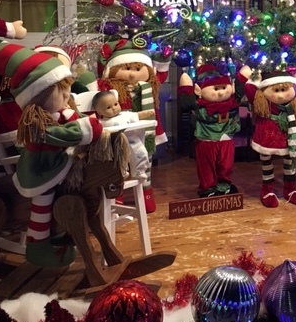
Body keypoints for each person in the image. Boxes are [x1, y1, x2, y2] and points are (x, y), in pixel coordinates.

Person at [0, 33, 104, 267]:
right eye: (60, 92)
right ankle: (38, 245)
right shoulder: (36, 122)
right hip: (39, 171)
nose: (67, 96)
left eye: (67, 89)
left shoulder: (59, 112)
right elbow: (57, 135)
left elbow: (73, 119)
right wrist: (85, 129)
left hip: (55, 164)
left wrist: (82, 120)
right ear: (38, 96)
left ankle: (62, 232)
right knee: (43, 200)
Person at [96, 39, 168, 213]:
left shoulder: (149, 87)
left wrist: (164, 58)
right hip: (118, 132)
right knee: (117, 163)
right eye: (127, 68)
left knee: (145, 161)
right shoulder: (109, 88)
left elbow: (161, 75)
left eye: (138, 69)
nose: (133, 74)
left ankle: (146, 194)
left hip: (144, 132)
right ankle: (117, 194)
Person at [178, 63, 248, 197]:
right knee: (206, 165)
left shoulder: (232, 103)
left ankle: (224, 185)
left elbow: (240, 90)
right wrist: (186, 88)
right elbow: (187, 103)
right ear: (200, 90)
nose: (220, 92)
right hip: (207, 139)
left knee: (226, 164)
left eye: (223, 88)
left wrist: (243, 77)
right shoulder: (200, 106)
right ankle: (208, 187)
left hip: (226, 138)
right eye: (215, 89)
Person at [242, 68, 296, 208]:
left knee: (290, 161)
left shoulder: (295, 100)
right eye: (276, 91)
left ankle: (290, 189)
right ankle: (267, 190)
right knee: (266, 162)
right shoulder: (263, 101)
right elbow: (249, 89)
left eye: (284, 90)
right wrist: (256, 76)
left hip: (288, 136)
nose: (281, 96)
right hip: (267, 136)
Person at [92, 89, 154, 181]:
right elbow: (92, 125)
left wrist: (147, 113)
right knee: (117, 158)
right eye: (108, 107)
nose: (114, 108)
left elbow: (137, 115)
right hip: (116, 144)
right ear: (99, 112)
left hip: (132, 141)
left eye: (116, 104)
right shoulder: (101, 122)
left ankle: (139, 171)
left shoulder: (125, 115)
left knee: (141, 153)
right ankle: (121, 172)